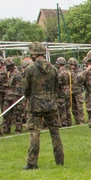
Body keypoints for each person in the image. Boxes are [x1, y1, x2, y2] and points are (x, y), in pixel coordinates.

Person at [22, 42, 64, 170]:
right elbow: (58, 86)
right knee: (55, 133)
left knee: (35, 134)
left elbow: (25, 89)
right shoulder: (53, 69)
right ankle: (60, 160)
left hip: (35, 105)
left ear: (33, 53)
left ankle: (32, 163)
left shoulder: (30, 69)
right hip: (51, 104)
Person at [2, 58, 24, 135]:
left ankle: (18, 129)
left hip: (15, 96)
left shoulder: (17, 74)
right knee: (6, 113)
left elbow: (19, 86)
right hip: (8, 96)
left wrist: (16, 96)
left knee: (17, 113)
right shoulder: (9, 73)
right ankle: (6, 129)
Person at [68, 57, 85, 125]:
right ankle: (77, 120)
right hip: (72, 92)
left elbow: (76, 80)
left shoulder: (79, 71)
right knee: (74, 108)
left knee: (79, 107)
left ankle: (81, 120)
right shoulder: (69, 71)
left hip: (78, 92)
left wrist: (72, 71)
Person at [55, 57, 71, 127]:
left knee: (62, 108)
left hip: (61, 92)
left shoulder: (59, 73)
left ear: (58, 64)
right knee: (67, 107)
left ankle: (64, 122)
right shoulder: (68, 72)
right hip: (68, 91)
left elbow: (58, 84)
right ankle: (69, 122)